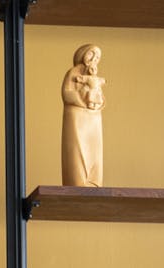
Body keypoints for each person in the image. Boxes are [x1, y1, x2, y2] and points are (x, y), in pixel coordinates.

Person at [61, 44, 105, 187]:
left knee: (95, 148)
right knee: (77, 147)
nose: (94, 59)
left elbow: (100, 95)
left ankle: (94, 180)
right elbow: (67, 94)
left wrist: (99, 103)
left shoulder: (94, 76)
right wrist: (82, 100)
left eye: (97, 57)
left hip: (93, 117)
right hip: (77, 116)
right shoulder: (73, 72)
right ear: (83, 54)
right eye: (91, 54)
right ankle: (77, 180)